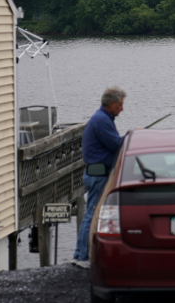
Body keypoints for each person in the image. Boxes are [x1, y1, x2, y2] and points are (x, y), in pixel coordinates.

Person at [72, 87, 127, 268]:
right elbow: (116, 145)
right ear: (111, 104)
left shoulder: (101, 118)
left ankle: (81, 255)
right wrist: (133, 137)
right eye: (120, 105)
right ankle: (83, 257)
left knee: (92, 213)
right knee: (92, 214)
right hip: (98, 175)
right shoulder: (102, 120)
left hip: (96, 173)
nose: (122, 108)